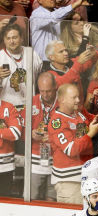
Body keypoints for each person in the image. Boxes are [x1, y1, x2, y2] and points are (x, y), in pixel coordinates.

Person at [48, 83, 98, 204]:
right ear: (62, 100)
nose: (78, 100)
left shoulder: (78, 112)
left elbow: (87, 122)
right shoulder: (57, 121)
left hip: (85, 176)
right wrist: (90, 134)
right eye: (74, 97)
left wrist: (96, 120)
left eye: (78, 97)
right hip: (69, 181)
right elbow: (71, 149)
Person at [0, 23, 43, 111]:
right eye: (8, 38)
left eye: (14, 37)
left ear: (21, 38)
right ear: (4, 40)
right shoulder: (0, 56)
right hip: (8, 108)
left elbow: (40, 78)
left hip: (30, 106)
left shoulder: (32, 53)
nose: (11, 41)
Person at [31, 72, 58, 201]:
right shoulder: (32, 101)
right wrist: (30, 133)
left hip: (56, 157)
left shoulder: (63, 102)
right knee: (32, 195)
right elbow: (23, 127)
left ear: (55, 87)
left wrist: (54, 137)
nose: (45, 95)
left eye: (48, 91)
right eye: (42, 91)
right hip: (36, 156)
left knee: (52, 197)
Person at [0, 94, 21, 197]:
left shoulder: (9, 107)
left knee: (5, 203)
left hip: (5, 167)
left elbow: (16, 133)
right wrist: (4, 132)